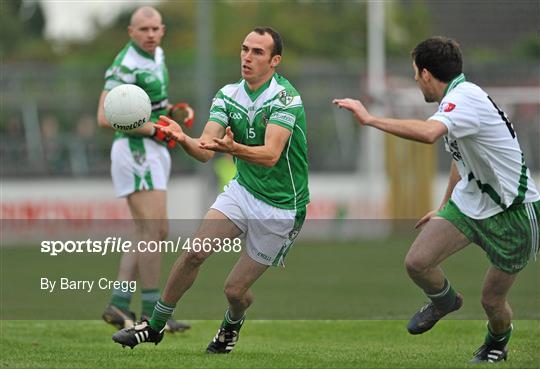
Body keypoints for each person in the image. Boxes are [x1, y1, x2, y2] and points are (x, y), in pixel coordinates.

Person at [333, 36, 539, 363]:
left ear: (427, 74)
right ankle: (445, 301)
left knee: (492, 301)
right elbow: (461, 158)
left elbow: (429, 134)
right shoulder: (456, 101)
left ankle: (498, 342)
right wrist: (444, 207)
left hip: (513, 212)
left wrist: (370, 120)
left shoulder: (465, 97)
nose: (416, 82)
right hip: (471, 203)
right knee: (417, 262)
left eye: (416, 74)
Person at [112, 26, 310, 354]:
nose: (247, 57)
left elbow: (271, 154)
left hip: (282, 207)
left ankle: (231, 324)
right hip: (242, 192)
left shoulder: (285, 98)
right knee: (194, 253)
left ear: (275, 60)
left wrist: (232, 149)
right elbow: (206, 149)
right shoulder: (227, 94)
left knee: (234, 291)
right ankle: (155, 325)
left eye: (258, 52)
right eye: (245, 49)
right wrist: (183, 138)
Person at [97, 6, 190, 333]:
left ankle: (118, 305)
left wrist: (169, 112)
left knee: (149, 232)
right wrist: (154, 129)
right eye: (144, 30)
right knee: (153, 233)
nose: (151, 35)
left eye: (155, 29)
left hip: (152, 150)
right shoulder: (126, 64)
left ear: (162, 30)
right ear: (131, 32)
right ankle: (153, 314)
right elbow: (105, 116)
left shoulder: (158, 54)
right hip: (135, 151)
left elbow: (144, 105)